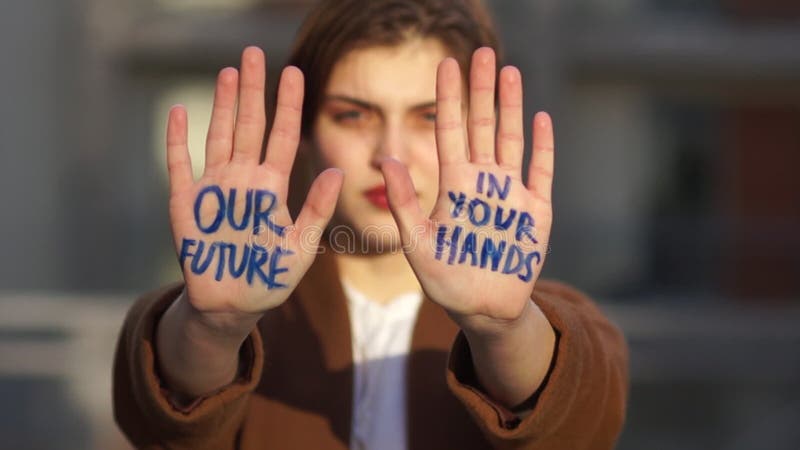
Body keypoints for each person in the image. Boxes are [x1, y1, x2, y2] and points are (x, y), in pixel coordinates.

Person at [113, 1, 629, 449]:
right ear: (306, 134)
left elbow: (583, 421)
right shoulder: (250, 310)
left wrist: (504, 331)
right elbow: (161, 419)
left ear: (480, 132)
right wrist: (213, 329)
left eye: (429, 117)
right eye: (354, 116)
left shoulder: (546, 322)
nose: (390, 155)